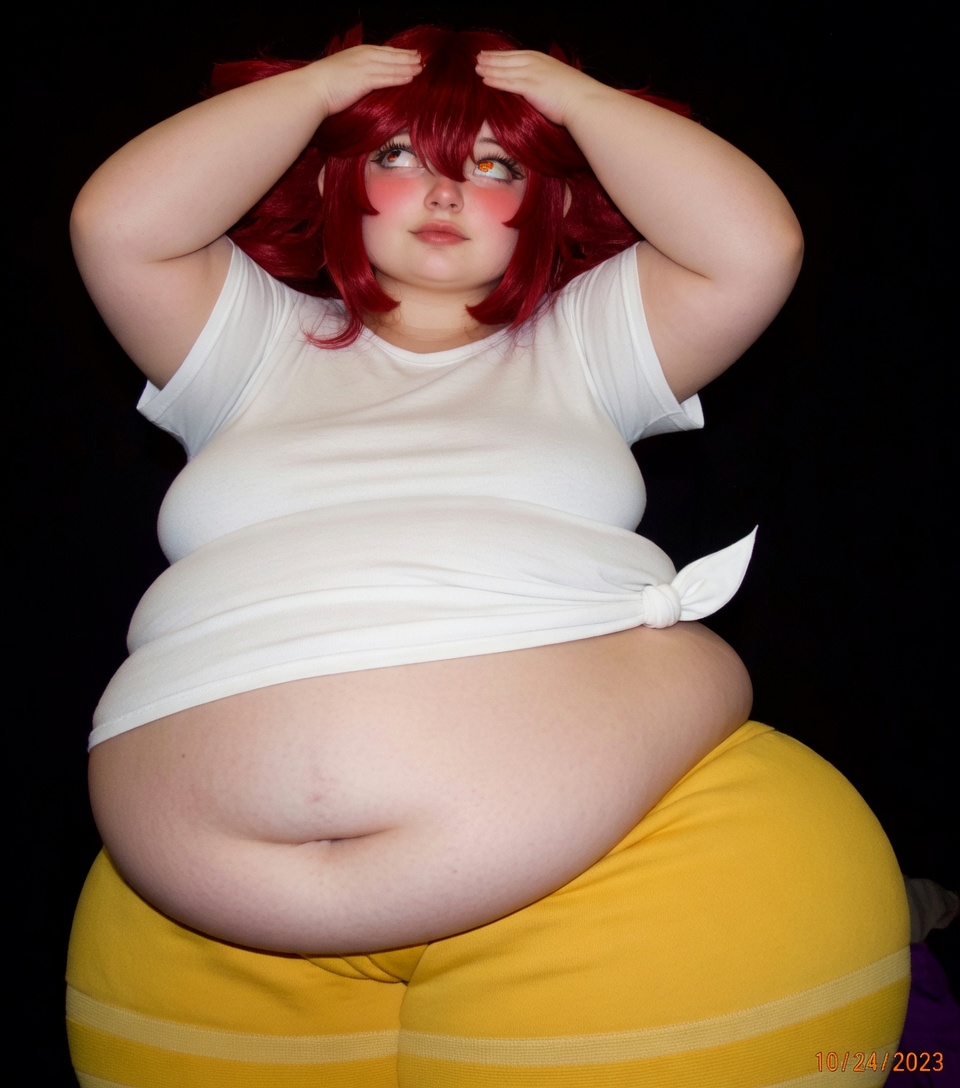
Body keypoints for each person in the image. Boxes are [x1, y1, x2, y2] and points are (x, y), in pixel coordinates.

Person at [65, 25, 909, 1088]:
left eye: (496, 167)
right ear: (333, 180)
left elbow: (754, 248)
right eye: (398, 156)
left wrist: (576, 100)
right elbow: (117, 224)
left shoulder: (585, 346)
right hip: (204, 944)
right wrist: (322, 91)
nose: (445, 192)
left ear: (545, 203)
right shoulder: (247, 345)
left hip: (626, 879)